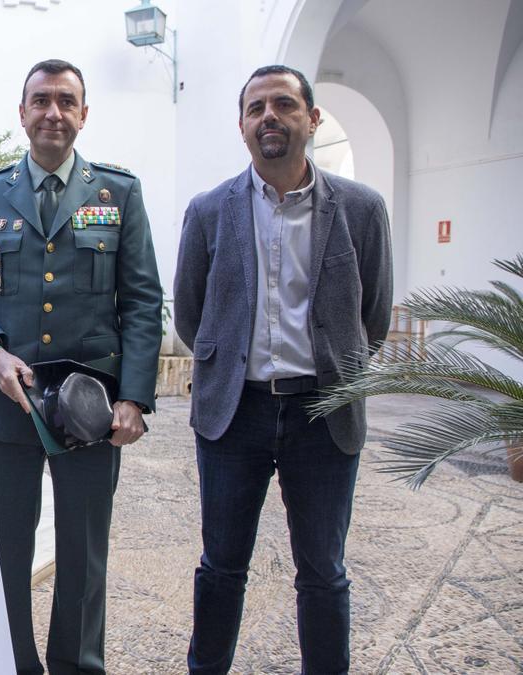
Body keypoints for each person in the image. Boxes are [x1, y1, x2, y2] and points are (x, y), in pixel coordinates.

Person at [173, 65, 392, 674]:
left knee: (323, 570)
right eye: (256, 108)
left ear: (312, 119)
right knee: (221, 565)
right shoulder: (210, 210)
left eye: (285, 105)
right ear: (242, 126)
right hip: (233, 414)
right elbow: (192, 316)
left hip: (324, 414)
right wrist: (232, 365)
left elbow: (371, 317)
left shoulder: (361, 209)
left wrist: (330, 370)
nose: (269, 116)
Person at [0, 59, 163, 675]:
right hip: (8, 407)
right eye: (40, 100)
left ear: (83, 114)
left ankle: (77, 667)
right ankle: (14, 664)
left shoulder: (118, 193)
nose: (52, 112)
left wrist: (135, 397)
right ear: (21, 114)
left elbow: (143, 299)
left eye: (65, 101)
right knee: (7, 554)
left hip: (90, 409)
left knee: (83, 556)